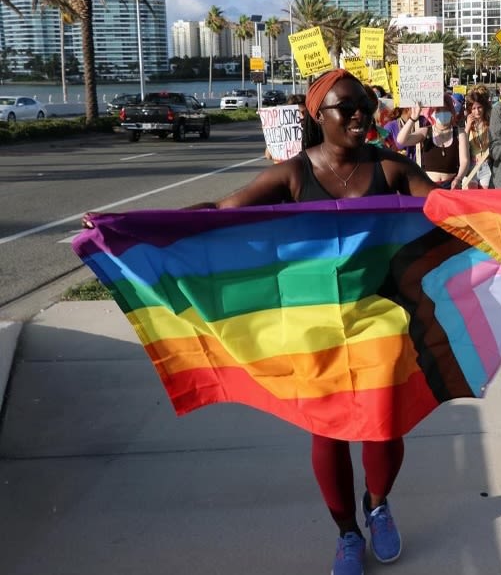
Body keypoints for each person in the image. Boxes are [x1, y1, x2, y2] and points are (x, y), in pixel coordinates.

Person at [87, 70, 437, 575]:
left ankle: (377, 504)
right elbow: (222, 212)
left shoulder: (392, 166)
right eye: (347, 106)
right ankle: (345, 535)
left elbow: (452, 210)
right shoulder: (294, 174)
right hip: (310, 327)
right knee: (329, 432)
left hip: (377, 321)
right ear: (319, 116)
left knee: (384, 425)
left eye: (366, 102)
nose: (361, 113)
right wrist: (132, 226)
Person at [396, 93, 470, 189]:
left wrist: (458, 179)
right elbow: (401, 140)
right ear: (432, 113)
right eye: (438, 110)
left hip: (451, 185)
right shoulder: (426, 131)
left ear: (451, 112)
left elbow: (464, 160)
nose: (442, 112)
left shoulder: (460, 133)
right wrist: (413, 119)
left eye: (446, 109)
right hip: (428, 185)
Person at [462, 84, 492, 188]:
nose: (477, 111)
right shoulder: (466, 124)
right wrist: (468, 127)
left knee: (485, 197)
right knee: (471, 195)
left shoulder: (489, 123)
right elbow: (461, 144)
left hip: (486, 165)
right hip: (471, 166)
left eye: (479, 107)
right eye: (474, 108)